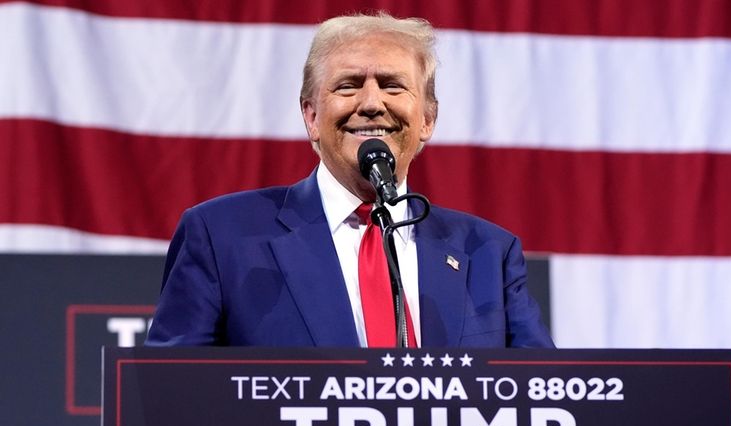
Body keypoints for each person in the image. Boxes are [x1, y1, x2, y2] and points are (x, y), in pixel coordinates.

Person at [145, 12, 554, 348]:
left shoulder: (487, 253)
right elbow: (172, 396)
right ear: (311, 117)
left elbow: (541, 396)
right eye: (348, 86)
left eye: (393, 86)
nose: (372, 103)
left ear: (427, 119)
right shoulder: (221, 236)